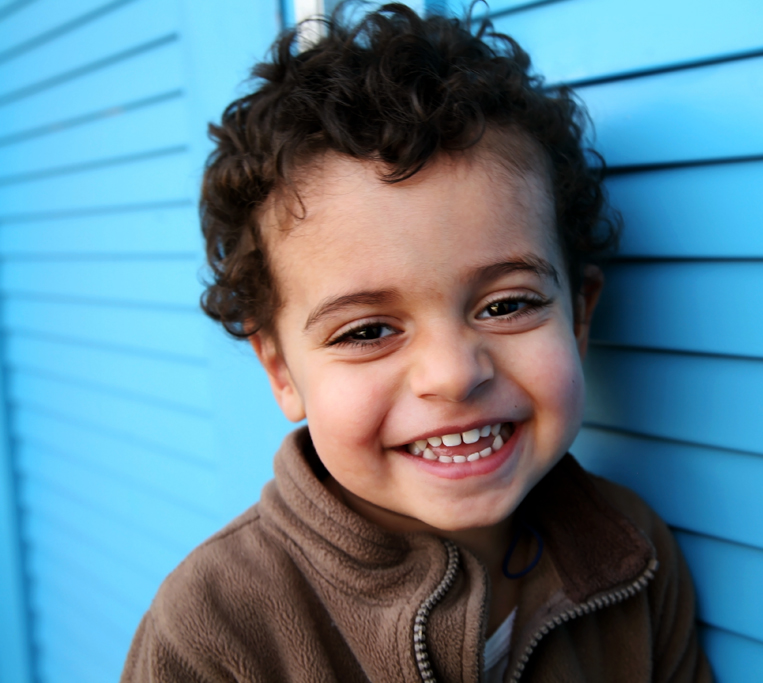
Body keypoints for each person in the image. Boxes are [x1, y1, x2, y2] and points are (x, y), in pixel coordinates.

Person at [121, 3, 712, 681]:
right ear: (281, 370)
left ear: (579, 317)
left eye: (507, 304)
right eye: (368, 331)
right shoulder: (215, 627)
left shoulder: (630, 555)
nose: (453, 374)